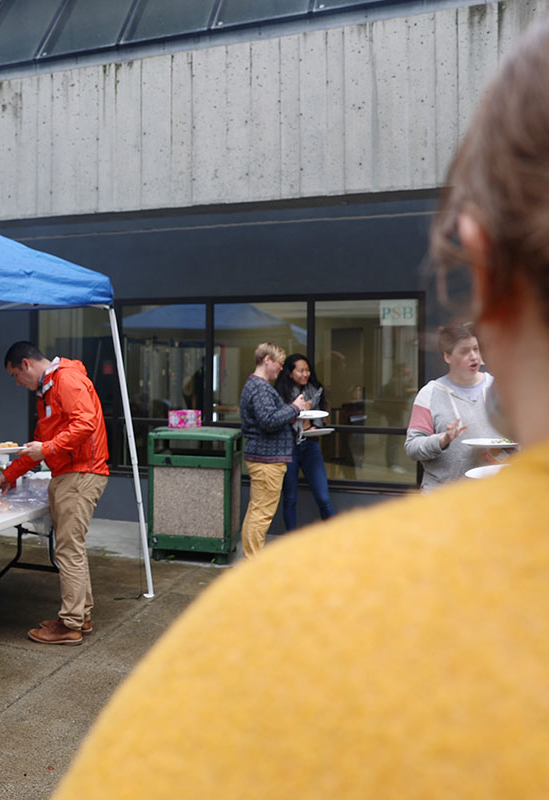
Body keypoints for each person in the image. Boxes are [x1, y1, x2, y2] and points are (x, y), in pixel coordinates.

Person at [50, 15, 549, 798]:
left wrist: (304, 411)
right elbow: (266, 421)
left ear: (481, 259)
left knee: (279, 514)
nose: (286, 368)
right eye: (283, 362)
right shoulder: (266, 393)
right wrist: (298, 413)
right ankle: (249, 556)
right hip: (274, 455)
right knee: (262, 517)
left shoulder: (281, 637)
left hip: (294, 470)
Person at [0, 341, 109, 646]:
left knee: (68, 550)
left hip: (80, 473)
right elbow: (38, 444)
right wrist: (10, 473)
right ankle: (79, 615)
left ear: (26, 364)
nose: (18, 382)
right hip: (71, 472)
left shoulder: (65, 380)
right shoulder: (47, 390)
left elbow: (85, 424)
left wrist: (47, 449)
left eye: (15, 375)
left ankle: (69, 625)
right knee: (73, 548)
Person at [404, 322, 501, 489]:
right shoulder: (429, 394)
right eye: (464, 351)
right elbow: (412, 447)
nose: (474, 357)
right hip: (442, 498)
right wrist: (443, 439)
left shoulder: (498, 387)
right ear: (447, 357)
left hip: (490, 496)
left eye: (476, 349)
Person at [237, 343, 310, 558]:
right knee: (261, 514)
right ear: (267, 360)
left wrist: (290, 412)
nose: (281, 369)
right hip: (267, 460)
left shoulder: (254, 385)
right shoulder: (260, 388)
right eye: (279, 364)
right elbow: (269, 421)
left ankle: (250, 562)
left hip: (262, 457)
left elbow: (268, 419)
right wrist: (295, 407)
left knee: (255, 511)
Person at [273, 353, 335, 530]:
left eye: (307, 370)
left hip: (311, 445)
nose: (305, 374)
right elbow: (278, 420)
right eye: (300, 371)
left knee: (323, 497)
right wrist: (296, 410)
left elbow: (321, 415)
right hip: (289, 446)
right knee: (290, 498)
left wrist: (316, 425)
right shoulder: (280, 393)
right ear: (290, 373)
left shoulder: (315, 390)